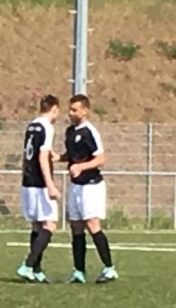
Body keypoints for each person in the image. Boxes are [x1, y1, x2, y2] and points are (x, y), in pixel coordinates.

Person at [62, 94, 118, 284]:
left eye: (74, 110)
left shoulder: (90, 131)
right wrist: (59, 157)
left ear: (85, 111)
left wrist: (81, 167)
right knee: (76, 226)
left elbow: (100, 159)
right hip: (76, 185)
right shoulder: (70, 131)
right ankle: (79, 271)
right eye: (70, 109)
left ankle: (109, 268)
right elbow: (73, 155)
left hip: (91, 186)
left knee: (92, 224)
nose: (70, 113)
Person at [17, 95, 62, 283]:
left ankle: (36, 270)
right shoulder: (47, 127)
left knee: (37, 225)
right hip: (40, 183)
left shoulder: (32, 125)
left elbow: (33, 151)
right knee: (50, 224)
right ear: (54, 109)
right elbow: (42, 157)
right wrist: (50, 185)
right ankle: (28, 265)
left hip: (27, 181)